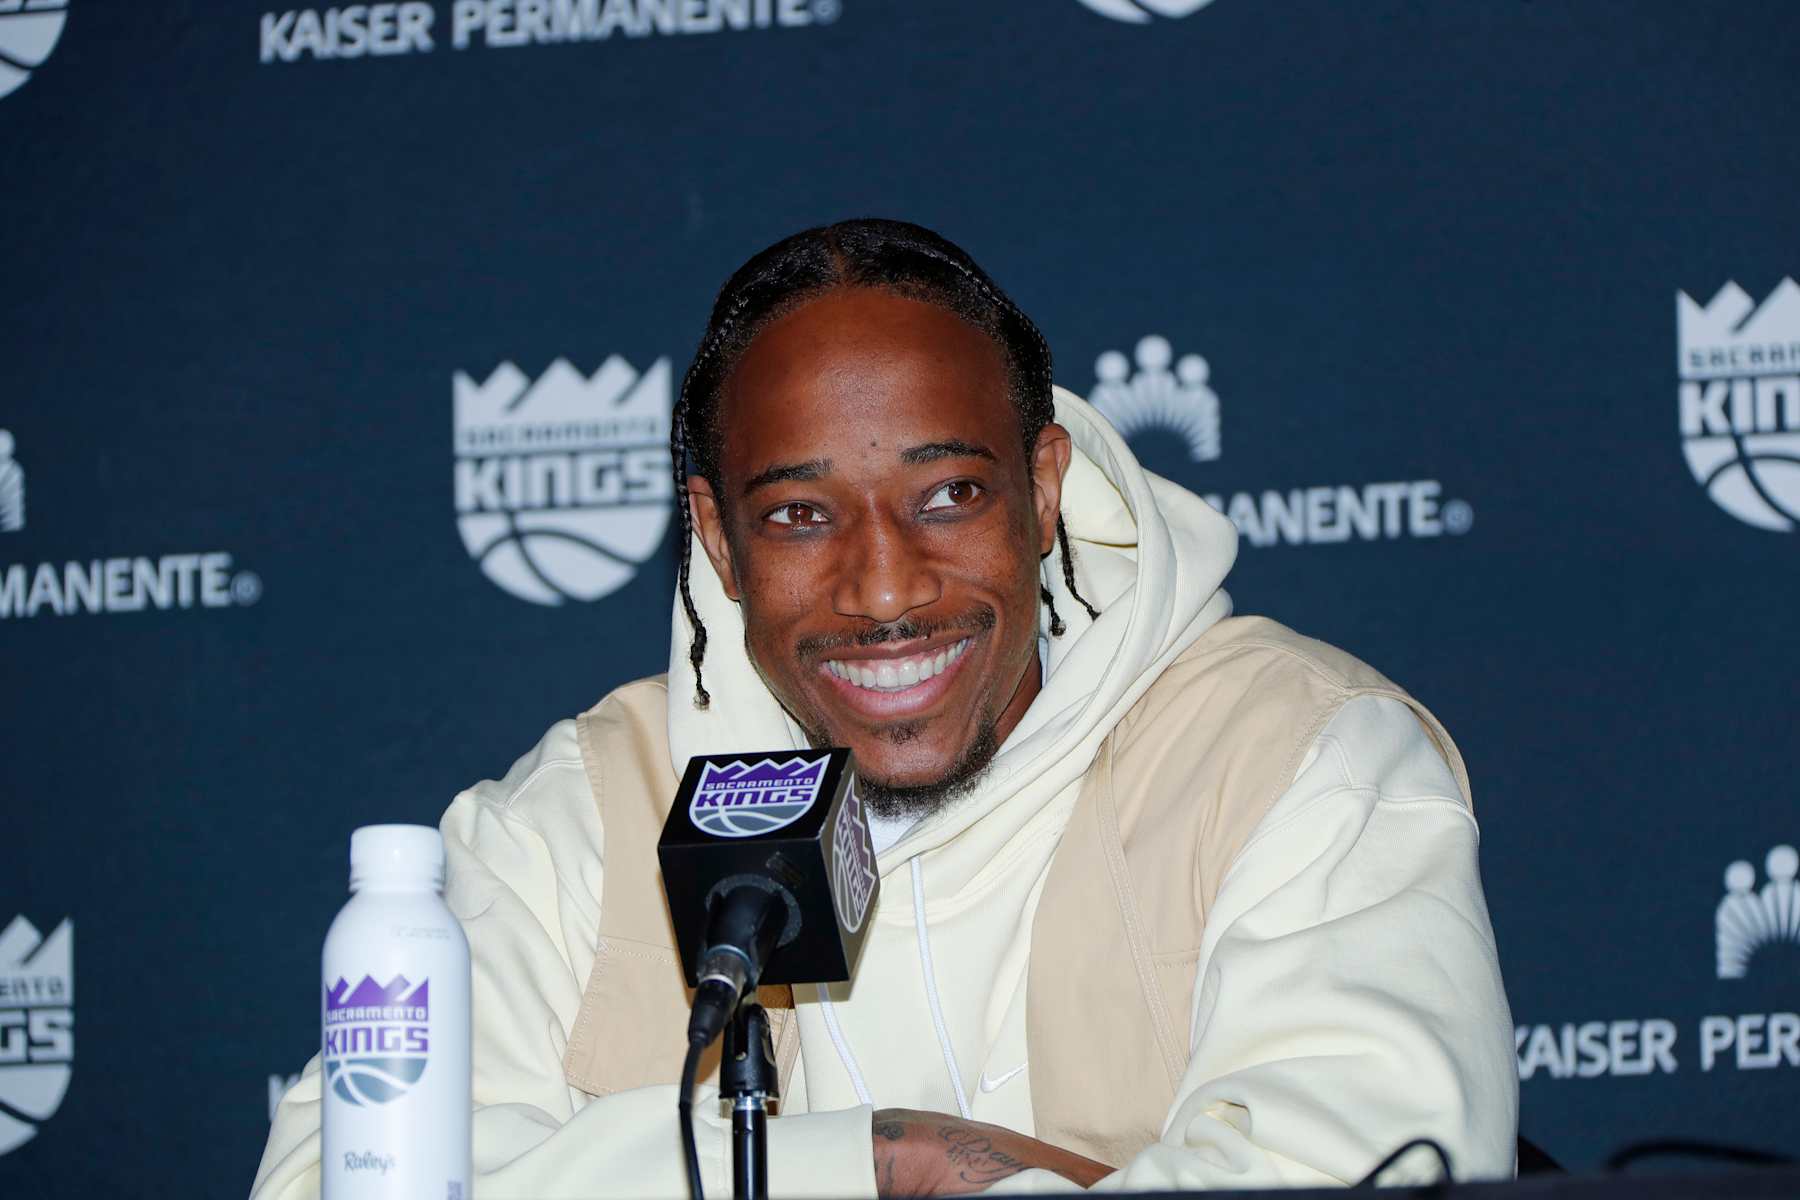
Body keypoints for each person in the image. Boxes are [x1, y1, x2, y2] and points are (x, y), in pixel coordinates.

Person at [254, 218, 1517, 1198]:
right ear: (717, 535)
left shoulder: (1294, 755)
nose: (885, 588)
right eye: (800, 516)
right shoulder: (590, 809)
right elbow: (339, 1175)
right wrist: (885, 1162)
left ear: (1044, 484)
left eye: (951, 495)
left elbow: (1381, 1169)